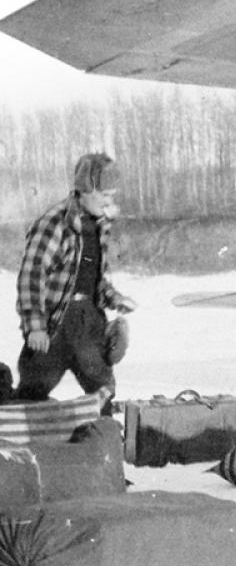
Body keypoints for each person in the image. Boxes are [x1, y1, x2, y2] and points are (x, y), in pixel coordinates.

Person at [8, 153, 137, 412]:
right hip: (55, 324)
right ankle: (18, 437)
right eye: (105, 195)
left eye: (112, 195)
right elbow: (32, 277)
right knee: (34, 387)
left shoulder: (98, 226)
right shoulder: (54, 224)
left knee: (102, 387)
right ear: (85, 190)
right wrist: (35, 326)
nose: (110, 202)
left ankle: (104, 440)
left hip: (88, 321)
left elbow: (90, 279)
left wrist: (114, 298)